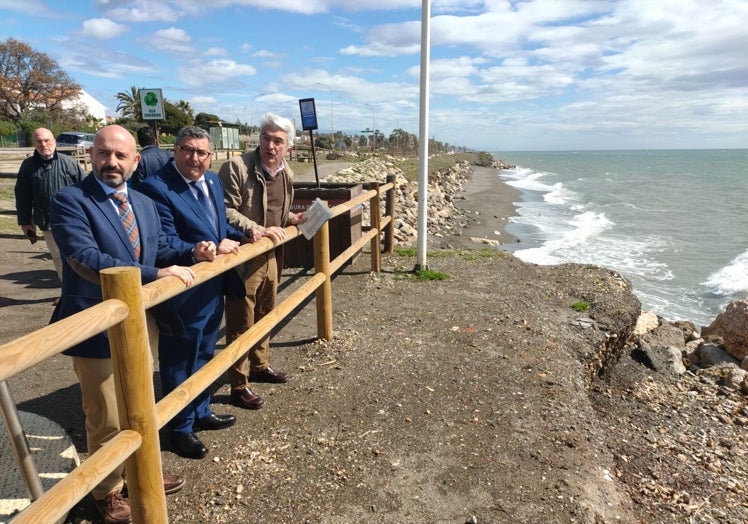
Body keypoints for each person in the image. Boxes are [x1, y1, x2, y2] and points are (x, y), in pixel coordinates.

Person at [49, 125, 216, 524]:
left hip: (141, 321)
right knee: (105, 414)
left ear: (135, 160)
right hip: (96, 326)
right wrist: (153, 274)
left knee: (139, 404)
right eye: (105, 153)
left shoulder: (140, 202)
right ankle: (108, 493)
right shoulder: (70, 200)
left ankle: (140, 470)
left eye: (121, 156)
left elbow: (158, 249)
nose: (112, 162)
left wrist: (192, 251)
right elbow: (84, 258)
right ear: (90, 155)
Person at [138, 126, 247, 460]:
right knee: (179, 361)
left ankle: (200, 411)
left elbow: (218, 227)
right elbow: (163, 242)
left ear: (210, 156)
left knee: (204, 353)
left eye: (201, 152)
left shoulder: (212, 181)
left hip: (212, 288)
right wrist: (199, 250)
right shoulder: (156, 188)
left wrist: (247, 233)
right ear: (175, 150)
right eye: (187, 150)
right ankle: (180, 428)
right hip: (182, 292)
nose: (194, 158)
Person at [217, 113, 305, 410]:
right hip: (244, 257)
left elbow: (278, 210)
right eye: (266, 138)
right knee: (241, 321)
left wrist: (294, 219)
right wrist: (255, 228)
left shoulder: (285, 172)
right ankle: (238, 385)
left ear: (288, 147)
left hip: (272, 256)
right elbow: (225, 210)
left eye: (278, 141)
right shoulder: (237, 167)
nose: (270, 145)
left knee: (267, 313)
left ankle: (260, 366)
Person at [15, 127, 84, 283]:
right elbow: (22, 196)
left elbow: (85, 191)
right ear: (35, 143)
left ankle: (82, 291)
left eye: (46, 140)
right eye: (39, 141)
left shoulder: (69, 163)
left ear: (54, 141)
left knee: (77, 255)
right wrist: (25, 221)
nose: (43, 144)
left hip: (73, 220)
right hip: (47, 220)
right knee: (57, 257)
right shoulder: (28, 166)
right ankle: (66, 293)